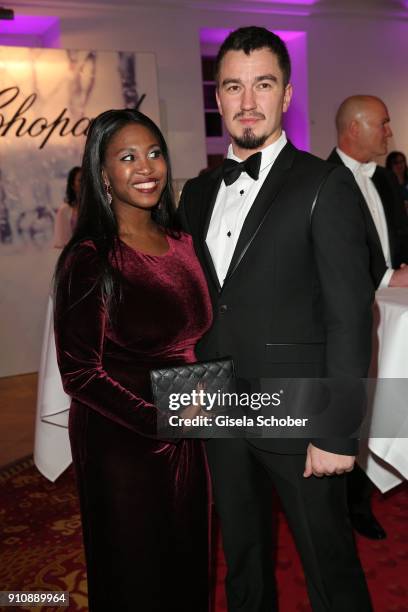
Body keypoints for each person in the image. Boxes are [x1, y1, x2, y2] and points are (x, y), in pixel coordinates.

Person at [179, 26, 374, 612]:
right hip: (214, 403)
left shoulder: (324, 184)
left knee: (328, 563)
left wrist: (336, 430)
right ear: (218, 97)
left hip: (299, 407)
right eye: (233, 87)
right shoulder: (196, 191)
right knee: (242, 559)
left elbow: (350, 317)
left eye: (262, 85)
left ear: (286, 94)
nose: (247, 102)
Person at [53, 109, 212, 612]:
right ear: (102, 174)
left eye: (154, 153)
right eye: (127, 157)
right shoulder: (90, 258)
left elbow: (198, 340)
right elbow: (80, 374)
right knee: (135, 573)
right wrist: (160, 419)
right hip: (122, 443)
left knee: (188, 561)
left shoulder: (184, 244)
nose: (147, 168)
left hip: (188, 434)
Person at [328, 96, 408, 540]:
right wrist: (385, 274)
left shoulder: (385, 181)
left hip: (391, 316)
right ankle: (347, 506)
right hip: (346, 320)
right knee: (351, 409)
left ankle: (368, 489)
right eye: (384, 124)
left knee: (383, 401)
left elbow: (398, 240)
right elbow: (328, 258)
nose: (390, 133)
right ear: (355, 128)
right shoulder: (320, 181)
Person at [53, 166, 82, 247]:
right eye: (80, 180)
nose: (85, 183)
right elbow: (61, 243)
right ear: (73, 185)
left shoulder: (97, 207)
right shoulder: (64, 210)